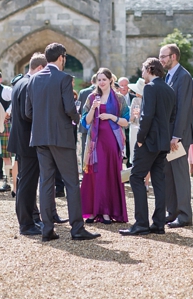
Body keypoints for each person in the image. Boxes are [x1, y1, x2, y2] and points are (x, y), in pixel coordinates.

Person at [26, 42, 99, 242]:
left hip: (40, 137)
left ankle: (47, 229)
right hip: (62, 137)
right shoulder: (64, 78)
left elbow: (28, 112)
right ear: (61, 57)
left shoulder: (33, 80)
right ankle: (77, 228)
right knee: (71, 183)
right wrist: (78, 119)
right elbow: (69, 108)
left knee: (46, 182)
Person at [119, 57, 176, 236]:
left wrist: (141, 138)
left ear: (150, 69)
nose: (142, 73)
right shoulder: (169, 89)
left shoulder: (150, 88)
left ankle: (141, 223)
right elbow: (172, 117)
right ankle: (158, 224)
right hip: (162, 142)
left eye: (143, 70)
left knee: (136, 177)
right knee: (159, 180)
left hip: (149, 141)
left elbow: (147, 115)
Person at [10, 53, 62, 236]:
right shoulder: (29, 84)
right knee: (27, 183)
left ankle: (32, 217)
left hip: (21, 139)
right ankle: (26, 224)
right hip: (28, 140)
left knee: (25, 181)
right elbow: (28, 114)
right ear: (40, 68)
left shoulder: (20, 83)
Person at [81, 68, 129, 224]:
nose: (101, 82)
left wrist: (110, 116)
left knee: (110, 175)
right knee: (96, 175)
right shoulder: (91, 97)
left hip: (112, 141)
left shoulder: (119, 98)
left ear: (110, 80)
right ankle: (95, 211)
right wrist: (94, 108)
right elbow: (85, 121)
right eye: (99, 79)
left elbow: (126, 122)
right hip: (95, 142)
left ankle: (108, 212)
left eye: (104, 79)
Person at [159, 43, 193, 229]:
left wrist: (176, 135)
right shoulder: (169, 76)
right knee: (168, 173)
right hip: (170, 135)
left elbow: (183, 109)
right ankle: (172, 211)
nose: (160, 60)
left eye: (163, 56)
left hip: (178, 135)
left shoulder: (183, 76)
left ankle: (184, 215)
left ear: (173, 56)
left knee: (180, 174)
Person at [0, 70, 14, 193]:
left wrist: (8, 112)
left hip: (4, 124)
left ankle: (7, 181)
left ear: (0, 79)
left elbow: (15, 100)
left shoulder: (6, 90)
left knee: (5, 155)